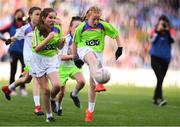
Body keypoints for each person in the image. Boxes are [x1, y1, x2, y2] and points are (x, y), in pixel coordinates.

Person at [72, 6, 123, 122]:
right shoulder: (81, 27)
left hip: (98, 53)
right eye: (94, 19)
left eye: (98, 19)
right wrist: (75, 58)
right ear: (87, 17)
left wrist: (120, 48)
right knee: (92, 58)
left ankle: (89, 111)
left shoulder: (103, 25)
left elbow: (116, 34)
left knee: (92, 85)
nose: (96, 22)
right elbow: (74, 43)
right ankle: (99, 82)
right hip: (84, 50)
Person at [1, 7, 44, 115]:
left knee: (27, 79)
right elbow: (16, 37)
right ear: (30, 15)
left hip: (39, 58)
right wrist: (9, 40)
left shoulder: (42, 28)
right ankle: (37, 107)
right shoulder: (26, 28)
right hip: (29, 58)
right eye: (37, 14)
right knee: (37, 78)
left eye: (40, 14)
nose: (39, 16)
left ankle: (8, 88)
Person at [30, 8, 63, 122]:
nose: (53, 20)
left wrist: (61, 42)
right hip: (38, 60)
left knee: (57, 85)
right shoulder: (37, 30)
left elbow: (59, 47)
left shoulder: (58, 29)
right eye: (50, 17)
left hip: (51, 59)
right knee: (46, 90)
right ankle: (49, 116)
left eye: (54, 18)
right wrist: (48, 38)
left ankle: (53, 99)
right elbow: (37, 49)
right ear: (43, 18)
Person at [51, 16, 85, 116]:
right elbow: (61, 57)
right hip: (62, 68)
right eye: (76, 27)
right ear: (70, 28)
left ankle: (74, 95)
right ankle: (58, 105)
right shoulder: (64, 40)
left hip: (73, 66)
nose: (78, 30)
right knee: (61, 92)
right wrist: (74, 56)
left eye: (81, 27)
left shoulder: (82, 40)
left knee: (82, 81)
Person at [149, 15, 176, 107]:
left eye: (164, 22)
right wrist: (157, 30)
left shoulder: (170, 31)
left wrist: (167, 30)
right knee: (160, 78)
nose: (163, 24)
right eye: (161, 22)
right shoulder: (154, 30)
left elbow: (173, 40)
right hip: (155, 58)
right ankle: (160, 98)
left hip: (165, 59)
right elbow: (151, 40)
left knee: (160, 80)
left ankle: (155, 98)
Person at [0, 9, 27, 95]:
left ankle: (22, 89)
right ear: (14, 15)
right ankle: (12, 89)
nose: (19, 16)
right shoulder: (11, 25)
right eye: (17, 14)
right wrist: (5, 39)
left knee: (24, 71)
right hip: (13, 52)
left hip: (24, 52)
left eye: (20, 15)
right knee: (13, 70)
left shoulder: (26, 26)